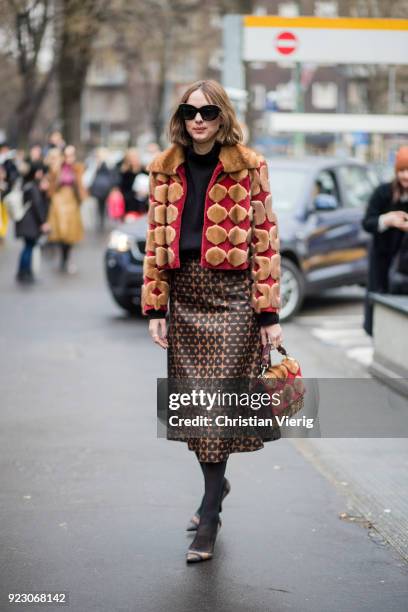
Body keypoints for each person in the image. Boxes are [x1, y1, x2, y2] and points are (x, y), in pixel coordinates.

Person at [141, 79, 283, 563]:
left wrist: (269, 314)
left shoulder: (250, 166)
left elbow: (265, 238)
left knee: (217, 408)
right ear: (179, 118)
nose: (197, 119)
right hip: (185, 299)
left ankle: (209, 514)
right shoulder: (163, 169)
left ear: (223, 116)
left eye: (207, 112)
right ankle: (215, 492)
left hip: (232, 300)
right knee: (197, 410)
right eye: (188, 111)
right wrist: (156, 306)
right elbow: (154, 243)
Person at [362, 146, 408, 335]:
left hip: (405, 265)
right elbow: (367, 222)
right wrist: (387, 220)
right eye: (402, 170)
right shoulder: (383, 192)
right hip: (382, 261)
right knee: (379, 306)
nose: (406, 175)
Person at [47, 144, 87, 274]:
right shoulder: (57, 168)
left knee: (71, 232)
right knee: (61, 231)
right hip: (59, 200)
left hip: (72, 201)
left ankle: (67, 258)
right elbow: (52, 185)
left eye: (72, 154)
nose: (70, 157)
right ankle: (62, 258)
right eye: (68, 154)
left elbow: (80, 186)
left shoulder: (77, 168)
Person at [15, 161, 50, 283]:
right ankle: (25, 273)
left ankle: (24, 272)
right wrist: (43, 222)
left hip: (26, 223)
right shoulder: (33, 187)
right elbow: (38, 206)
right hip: (29, 224)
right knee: (28, 248)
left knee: (28, 247)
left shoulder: (28, 184)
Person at [89, 148, 115, 231]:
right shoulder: (96, 163)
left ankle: (103, 218)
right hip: (99, 188)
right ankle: (101, 219)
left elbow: (112, 174)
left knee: (104, 204)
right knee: (100, 204)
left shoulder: (108, 163)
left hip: (105, 188)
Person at [118, 148, 148, 215]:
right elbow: (123, 190)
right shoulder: (125, 173)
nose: (134, 159)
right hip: (130, 206)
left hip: (145, 205)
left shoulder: (145, 171)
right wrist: (135, 193)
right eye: (132, 157)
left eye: (136, 157)